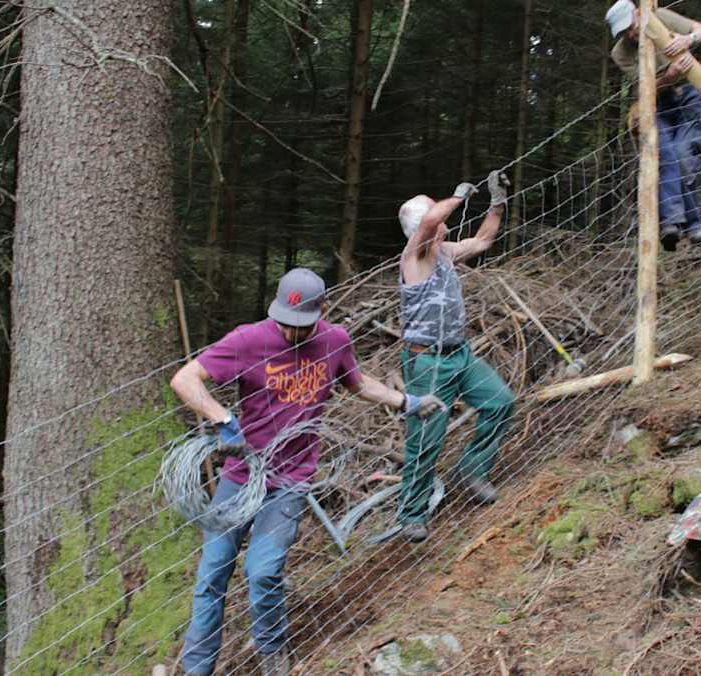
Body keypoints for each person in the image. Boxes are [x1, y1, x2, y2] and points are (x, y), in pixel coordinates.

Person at [170, 267, 443, 676]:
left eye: (300, 325)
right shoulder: (249, 340)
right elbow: (185, 378)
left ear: (322, 311)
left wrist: (406, 402)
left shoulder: (334, 342)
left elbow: (359, 383)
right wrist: (223, 418)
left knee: (263, 573)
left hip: (290, 482)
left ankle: (273, 658)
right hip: (241, 478)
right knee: (211, 577)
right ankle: (196, 670)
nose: (290, 331)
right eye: (284, 322)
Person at [394, 172, 517, 543]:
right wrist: (459, 194)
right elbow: (431, 220)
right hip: (427, 363)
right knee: (426, 439)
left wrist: (497, 202)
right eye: (436, 218)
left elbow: (482, 240)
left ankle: (472, 468)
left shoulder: (446, 253)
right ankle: (412, 514)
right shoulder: (414, 255)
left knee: (499, 402)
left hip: (458, 355)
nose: (444, 223)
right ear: (423, 226)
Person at [606, 0, 701, 250]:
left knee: (683, 153)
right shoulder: (620, 53)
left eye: (630, 27)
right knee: (665, 155)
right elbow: (645, 88)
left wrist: (689, 40)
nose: (630, 34)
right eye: (623, 32)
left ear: (637, 13)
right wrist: (668, 77)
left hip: (689, 93)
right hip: (658, 103)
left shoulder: (661, 17)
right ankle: (672, 225)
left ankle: (694, 225)